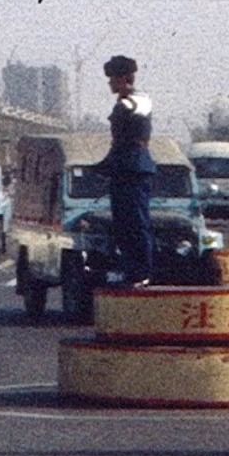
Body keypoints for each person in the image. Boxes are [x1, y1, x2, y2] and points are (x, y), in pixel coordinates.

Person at [98, 53, 156, 287]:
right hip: (123, 166)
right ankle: (132, 269)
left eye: (113, 78)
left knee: (136, 222)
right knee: (123, 222)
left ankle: (142, 271)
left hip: (133, 166)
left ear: (125, 78)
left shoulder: (136, 101)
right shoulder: (126, 101)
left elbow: (132, 135)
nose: (110, 83)